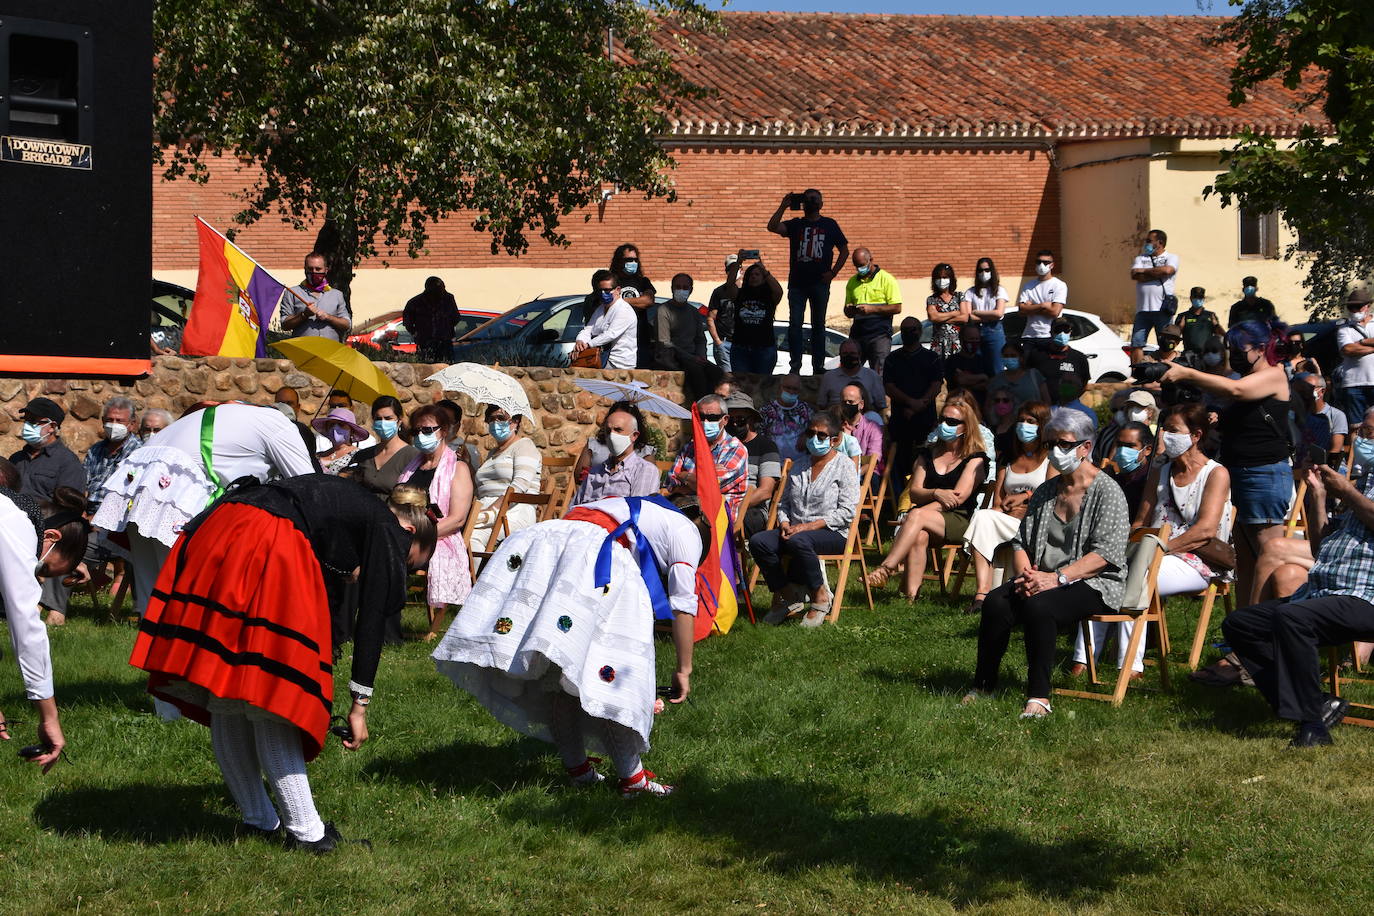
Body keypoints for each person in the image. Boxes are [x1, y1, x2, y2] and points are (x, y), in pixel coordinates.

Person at [130, 475, 436, 849]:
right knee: (269, 692)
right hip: (265, 537)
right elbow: (371, 619)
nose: (396, 567)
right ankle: (308, 833)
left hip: (220, 525)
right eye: (406, 559)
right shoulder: (390, 526)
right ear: (409, 529)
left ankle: (259, 820)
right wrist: (359, 705)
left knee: (228, 688)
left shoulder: (353, 505)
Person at [433, 493, 705, 796]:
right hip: (594, 556)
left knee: (561, 671)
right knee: (610, 676)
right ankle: (632, 780)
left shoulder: (629, 505)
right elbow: (683, 604)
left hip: (549, 543)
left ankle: (579, 771)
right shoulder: (688, 531)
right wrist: (684, 669)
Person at [91, 402, 317, 649]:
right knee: (189, 597)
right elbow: (309, 487)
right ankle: (183, 670)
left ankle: (157, 672)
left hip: (137, 483)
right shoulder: (279, 425)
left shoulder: (232, 414)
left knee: (154, 598)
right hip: (174, 490)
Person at [965, 408, 1131, 719]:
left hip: (1095, 582)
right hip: (1044, 577)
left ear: (1086, 447)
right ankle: (984, 684)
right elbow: (1021, 541)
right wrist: (1027, 574)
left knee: (1040, 607)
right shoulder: (1045, 491)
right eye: (1051, 443)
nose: (1057, 451)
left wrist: (1057, 579)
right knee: (996, 602)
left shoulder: (1108, 491)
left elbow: (1105, 555)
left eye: (1065, 444)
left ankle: (1039, 696)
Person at [1074, 403, 1234, 680]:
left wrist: (1159, 548)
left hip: (1197, 560)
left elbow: (1205, 531)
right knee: (1099, 568)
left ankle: (1130, 664)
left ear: (1196, 435)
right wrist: (1124, 546)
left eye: (1172, 431)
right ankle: (1084, 657)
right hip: (1151, 550)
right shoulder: (1160, 470)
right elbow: (1140, 520)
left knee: (1138, 574)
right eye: (1163, 430)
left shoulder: (1216, 473)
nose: (1163, 438)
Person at [1219, 462, 1374, 747]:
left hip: (1366, 597)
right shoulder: (1367, 482)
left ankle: (1313, 726)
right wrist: (1318, 496)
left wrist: (1347, 491)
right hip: (1327, 591)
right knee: (1241, 624)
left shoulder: (1357, 490)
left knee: (1292, 618)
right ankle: (1317, 702)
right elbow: (1321, 547)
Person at [1161, 319, 1293, 604]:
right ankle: (1245, 632)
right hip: (1238, 473)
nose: (1232, 354)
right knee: (1244, 561)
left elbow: (1238, 391)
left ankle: (1268, 629)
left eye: (1237, 349)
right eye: (1229, 348)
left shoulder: (1275, 375)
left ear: (1261, 348)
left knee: (1268, 557)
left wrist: (1188, 373)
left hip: (1263, 475)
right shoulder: (1241, 379)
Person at [865, 393, 990, 601]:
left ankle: (887, 568)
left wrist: (923, 508)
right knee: (919, 534)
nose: (945, 425)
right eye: (942, 420)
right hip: (927, 516)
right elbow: (914, 492)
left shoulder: (975, 459)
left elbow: (957, 499)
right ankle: (910, 597)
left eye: (952, 421)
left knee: (915, 516)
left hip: (959, 518)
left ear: (966, 427)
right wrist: (936, 493)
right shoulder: (927, 453)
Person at [0, 484, 87, 772]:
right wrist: (49, 716)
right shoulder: (16, 525)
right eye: (44, 570)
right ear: (49, 536)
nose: (38, 578)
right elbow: (26, 627)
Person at [753, 413, 860, 628]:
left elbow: (847, 511)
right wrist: (783, 523)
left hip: (832, 532)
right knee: (759, 541)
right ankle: (789, 595)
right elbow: (783, 504)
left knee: (798, 541)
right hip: (795, 530)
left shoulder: (845, 466)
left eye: (821, 435)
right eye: (811, 433)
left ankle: (820, 597)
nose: (815, 439)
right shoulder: (799, 465)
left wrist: (807, 527)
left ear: (835, 440)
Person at [961, 400, 1055, 615]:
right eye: (1021, 421)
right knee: (983, 516)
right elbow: (998, 502)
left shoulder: (1051, 460)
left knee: (983, 519)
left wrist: (1025, 497)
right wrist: (1005, 508)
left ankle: (983, 595)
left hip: (1035, 524)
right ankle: (982, 593)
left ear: (1042, 426)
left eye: (1031, 421)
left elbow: (1052, 496)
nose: (1024, 425)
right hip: (1007, 520)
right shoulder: (1009, 459)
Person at [396, 405, 474, 638]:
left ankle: (388, 620)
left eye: (428, 430)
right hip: (405, 530)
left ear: (444, 431)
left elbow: (457, 519)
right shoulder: (412, 467)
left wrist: (420, 535)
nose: (422, 435)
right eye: (417, 430)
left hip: (437, 539)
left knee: (391, 551)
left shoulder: (457, 469)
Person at [10, 397, 87, 627]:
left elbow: (71, 510)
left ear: (53, 427)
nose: (28, 425)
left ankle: (55, 609)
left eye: (35, 421)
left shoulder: (67, 462)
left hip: (51, 526)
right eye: (27, 420)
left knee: (58, 545)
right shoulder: (16, 459)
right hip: (15, 524)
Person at [767, 189, 848, 376]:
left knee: (818, 325)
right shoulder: (796, 224)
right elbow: (772, 227)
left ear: (821, 204)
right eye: (807, 199)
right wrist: (783, 205)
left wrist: (833, 273)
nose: (811, 202)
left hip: (820, 282)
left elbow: (844, 250)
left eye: (814, 199)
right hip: (797, 283)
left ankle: (818, 366)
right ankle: (795, 366)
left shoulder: (829, 224)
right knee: (795, 324)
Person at [81, 396, 143, 596]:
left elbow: (131, 496)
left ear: (132, 424)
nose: (113, 425)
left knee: (73, 543)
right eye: (109, 420)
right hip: (88, 515)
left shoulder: (140, 453)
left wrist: (98, 519)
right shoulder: (96, 450)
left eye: (119, 421)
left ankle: (115, 574)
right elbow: (84, 484)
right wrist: (80, 511)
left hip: (115, 520)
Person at [465, 404, 542, 555]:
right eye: (491, 419)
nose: (495, 423)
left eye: (501, 418)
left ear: (516, 421)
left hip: (513, 510)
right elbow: (481, 486)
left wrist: (492, 510)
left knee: (472, 538)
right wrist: (467, 464)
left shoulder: (524, 445)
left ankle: (476, 578)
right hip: (485, 509)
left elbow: (520, 484)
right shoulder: (493, 452)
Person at [885, 316, 946, 495]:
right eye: (905, 330)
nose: (908, 334)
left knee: (926, 459)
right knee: (899, 462)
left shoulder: (932, 358)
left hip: (925, 420)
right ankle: (898, 499)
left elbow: (936, 384)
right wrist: (911, 403)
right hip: (901, 420)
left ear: (919, 331)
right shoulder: (892, 359)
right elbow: (889, 386)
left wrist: (921, 404)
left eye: (912, 330)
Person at [666, 394, 748, 518]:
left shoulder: (735, 449)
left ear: (725, 420)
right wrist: (703, 479)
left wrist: (684, 475)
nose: (705, 422)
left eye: (712, 417)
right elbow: (670, 483)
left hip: (718, 517)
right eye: (701, 417)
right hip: (684, 509)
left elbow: (712, 486)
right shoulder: (689, 448)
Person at [572, 405, 661, 507]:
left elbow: (638, 511)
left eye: (618, 430)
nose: (612, 435)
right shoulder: (595, 472)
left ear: (634, 435)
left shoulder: (644, 470)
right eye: (608, 431)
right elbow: (574, 506)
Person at [655, 273, 720, 399]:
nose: (681, 290)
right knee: (698, 374)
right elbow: (664, 342)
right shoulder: (663, 310)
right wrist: (692, 358)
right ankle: (700, 407)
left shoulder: (693, 312)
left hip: (693, 357)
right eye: (678, 287)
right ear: (672, 288)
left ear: (691, 290)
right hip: (673, 357)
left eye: (685, 287)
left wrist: (701, 356)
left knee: (718, 373)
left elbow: (700, 339)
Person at [341, 396, 420, 498]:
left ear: (399, 421)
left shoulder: (413, 456)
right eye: (378, 419)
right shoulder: (364, 455)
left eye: (388, 418)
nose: (383, 423)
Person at [726, 392, 780, 539]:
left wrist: (733, 508)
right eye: (730, 419)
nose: (735, 424)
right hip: (719, 505)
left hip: (752, 509)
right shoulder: (722, 447)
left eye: (740, 419)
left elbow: (765, 491)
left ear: (752, 420)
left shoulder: (766, 447)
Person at [843, 247, 902, 372]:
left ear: (871, 260)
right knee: (850, 370)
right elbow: (847, 310)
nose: (860, 269)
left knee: (879, 372)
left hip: (879, 334)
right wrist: (850, 310)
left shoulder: (886, 279)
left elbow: (897, 307)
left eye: (862, 265)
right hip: (858, 333)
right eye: (856, 266)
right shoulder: (852, 282)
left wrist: (872, 309)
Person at [1129, 229, 1180, 362]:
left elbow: (1168, 270)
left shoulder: (1171, 257)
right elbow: (1135, 275)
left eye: (1149, 241)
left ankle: (1165, 370)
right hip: (1143, 309)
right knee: (1137, 343)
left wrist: (1144, 272)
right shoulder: (1141, 258)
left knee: (1166, 343)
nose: (1146, 244)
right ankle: (1137, 373)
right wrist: (1157, 273)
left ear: (1160, 242)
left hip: (1162, 309)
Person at [279, 251, 350, 342]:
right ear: (305, 269)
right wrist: (304, 315)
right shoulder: (292, 293)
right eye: (310, 269)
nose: (314, 272)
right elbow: (284, 325)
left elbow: (346, 325)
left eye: (318, 269)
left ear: (326, 270)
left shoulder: (337, 295)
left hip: (330, 351)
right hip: (303, 350)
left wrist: (328, 317)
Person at [730, 258, 785, 375]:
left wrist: (764, 270)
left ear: (763, 277)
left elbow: (779, 291)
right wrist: (738, 262)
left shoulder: (769, 296)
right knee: (741, 384)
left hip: (764, 348)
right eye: (751, 274)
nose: (753, 277)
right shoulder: (740, 294)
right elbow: (729, 285)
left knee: (763, 384)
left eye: (757, 274)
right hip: (741, 347)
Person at [608, 243, 658, 369]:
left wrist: (619, 301)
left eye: (635, 260)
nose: (633, 262)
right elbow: (607, 302)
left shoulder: (643, 281)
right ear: (620, 261)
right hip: (617, 339)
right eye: (629, 260)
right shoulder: (612, 281)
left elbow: (648, 301)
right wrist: (637, 301)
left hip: (640, 338)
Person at [575, 269, 637, 369]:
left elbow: (611, 334)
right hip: (601, 360)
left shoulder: (624, 310)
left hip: (620, 365)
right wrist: (580, 340)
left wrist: (588, 344)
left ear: (617, 290)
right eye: (601, 290)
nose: (603, 293)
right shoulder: (600, 309)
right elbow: (588, 328)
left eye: (607, 290)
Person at [964, 256, 1010, 376]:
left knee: (997, 369)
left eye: (987, 270)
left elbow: (999, 313)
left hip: (994, 330)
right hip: (976, 331)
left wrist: (976, 312)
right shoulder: (970, 292)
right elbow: (968, 316)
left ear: (992, 271)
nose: (983, 273)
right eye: (980, 270)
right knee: (977, 368)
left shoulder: (999, 290)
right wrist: (990, 315)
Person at [1336, 288, 1374, 427]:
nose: (1354, 310)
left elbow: (1354, 348)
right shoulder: (1344, 328)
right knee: (1356, 426)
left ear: (1367, 306)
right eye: (1351, 307)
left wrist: (1362, 342)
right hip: (1353, 383)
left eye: (1358, 307)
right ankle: (1355, 449)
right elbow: (1348, 349)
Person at [1026, 317, 1090, 400]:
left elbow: (1084, 385)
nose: (1062, 333)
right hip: (1042, 407)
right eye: (1058, 330)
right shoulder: (1037, 354)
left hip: (1067, 406)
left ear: (1070, 332)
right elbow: (1029, 379)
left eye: (1066, 330)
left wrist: (1068, 400)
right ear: (1051, 332)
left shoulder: (1079, 358)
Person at [818, 339, 888, 411]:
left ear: (859, 355)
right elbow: (821, 405)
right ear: (840, 355)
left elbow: (881, 406)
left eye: (852, 353)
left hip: (865, 417)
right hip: (836, 418)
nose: (848, 356)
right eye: (845, 353)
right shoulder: (829, 377)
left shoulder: (872, 376)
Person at [401, 276, 460, 362]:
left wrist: (446, 328)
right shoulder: (415, 302)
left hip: (444, 342)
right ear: (429, 290)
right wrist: (416, 333)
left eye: (443, 289)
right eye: (438, 290)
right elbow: (407, 321)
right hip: (425, 343)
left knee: (446, 368)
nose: (442, 292)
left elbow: (456, 317)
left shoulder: (448, 299)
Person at [1296, 372, 1348, 467]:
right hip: (1305, 465)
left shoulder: (1336, 415)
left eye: (1309, 388)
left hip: (1330, 466)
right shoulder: (1300, 416)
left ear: (1322, 391)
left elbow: (1335, 449)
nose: (1305, 392)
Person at [1093, 389, 1157, 465]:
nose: (1133, 410)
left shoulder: (1157, 434)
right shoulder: (1117, 433)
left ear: (1150, 412)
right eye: (1130, 406)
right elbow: (1110, 461)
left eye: (1138, 406)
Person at [1018, 250, 1068, 345]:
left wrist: (1031, 307)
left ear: (1052, 265)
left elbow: (1054, 312)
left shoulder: (1059, 285)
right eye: (1038, 262)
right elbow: (1021, 311)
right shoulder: (1028, 286)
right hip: (1029, 336)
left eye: (1046, 262)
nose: (1041, 265)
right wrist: (1043, 305)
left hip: (1049, 336)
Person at [760, 375, 812, 465]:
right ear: (780, 388)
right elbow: (759, 436)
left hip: (800, 463)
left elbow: (814, 429)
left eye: (795, 389)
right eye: (787, 388)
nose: (791, 392)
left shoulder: (806, 409)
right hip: (773, 462)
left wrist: (807, 435)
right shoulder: (766, 410)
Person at [986, 341, 1049, 415]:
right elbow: (988, 406)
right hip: (1004, 424)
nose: (1009, 359)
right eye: (1006, 356)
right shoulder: (996, 380)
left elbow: (1046, 401)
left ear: (1021, 358)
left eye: (1013, 356)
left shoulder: (1034, 375)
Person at [925, 262, 968, 360]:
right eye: (938, 278)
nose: (941, 280)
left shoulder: (959, 296)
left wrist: (941, 317)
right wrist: (954, 313)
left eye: (945, 277)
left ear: (951, 279)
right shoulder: (932, 299)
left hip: (957, 343)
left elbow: (965, 317)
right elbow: (933, 317)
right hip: (939, 344)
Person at [838, 384, 883, 473]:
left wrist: (855, 476)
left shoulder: (873, 428)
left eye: (851, 402)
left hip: (866, 474)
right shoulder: (835, 426)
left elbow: (874, 460)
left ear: (861, 404)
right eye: (844, 402)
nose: (847, 405)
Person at [311, 408, 369, 475]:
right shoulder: (318, 455)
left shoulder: (359, 457)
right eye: (331, 425)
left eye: (341, 425)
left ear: (352, 431)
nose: (335, 428)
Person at [707, 254, 740, 371]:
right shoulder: (719, 292)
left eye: (736, 267)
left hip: (741, 345)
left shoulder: (747, 290)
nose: (733, 271)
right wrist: (718, 342)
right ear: (726, 270)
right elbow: (711, 318)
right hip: (724, 343)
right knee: (728, 379)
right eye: (730, 268)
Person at [945, 323, 990, 403]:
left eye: (977, 339)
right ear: (961, 340)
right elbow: (961, 381)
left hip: (980, 405)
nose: (974, 342)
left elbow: (990, 384)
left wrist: (968, 380)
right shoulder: (952, 361)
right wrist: (982, 376)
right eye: (971, 339)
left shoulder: (984, 360)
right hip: (958, 404)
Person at [1178, 287, 1222, 357]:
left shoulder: (1210, 315)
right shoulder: (1183, 316)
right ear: (1191, 298)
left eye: (1200, 297)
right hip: (1189, 353)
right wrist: (1180, 327)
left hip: (1206, 353)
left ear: (1204, 299)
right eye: (1195, 297)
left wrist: (1216, 325)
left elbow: (1221, 336)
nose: (1198, 299)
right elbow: (1175, 336)